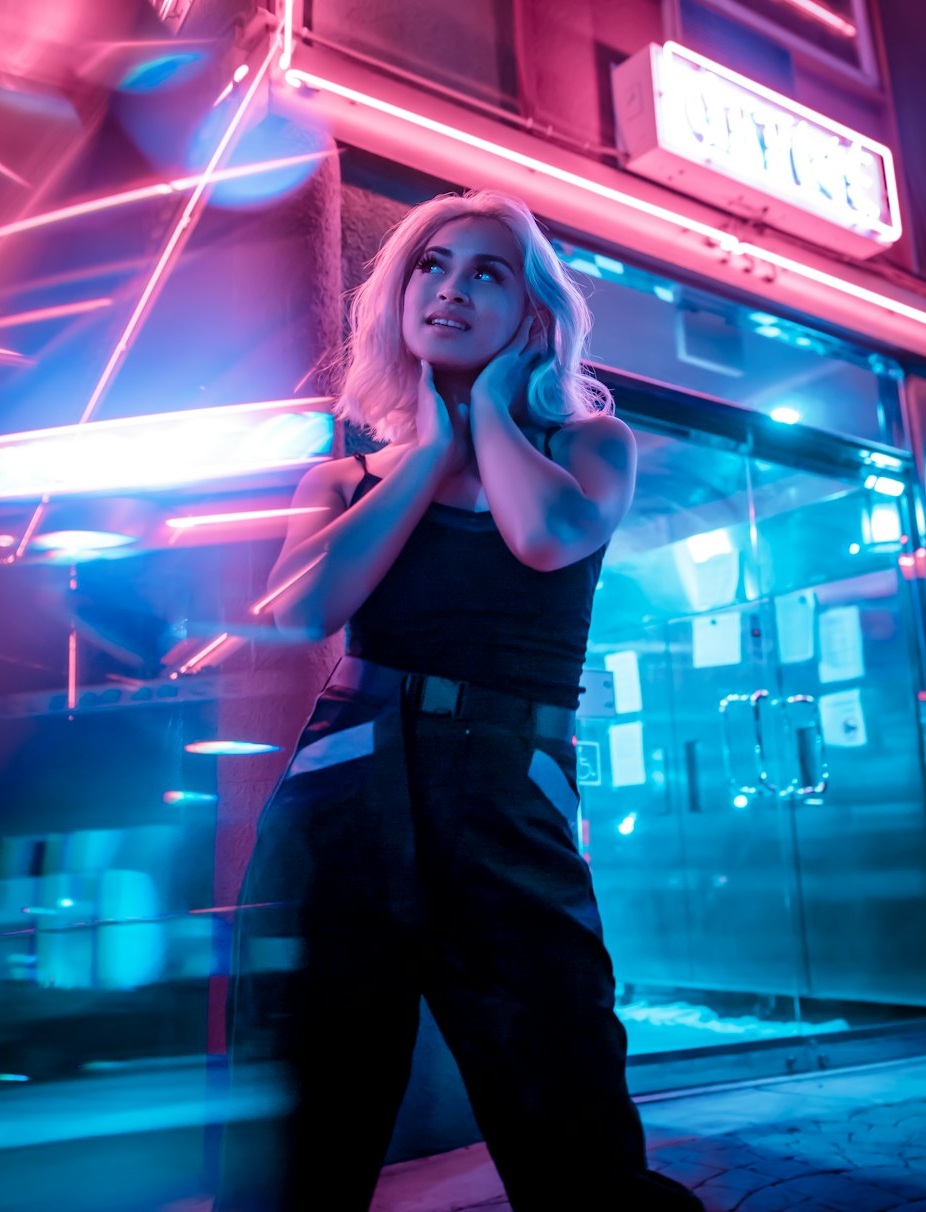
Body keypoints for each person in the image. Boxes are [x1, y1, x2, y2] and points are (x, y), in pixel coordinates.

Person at [218, 190, 705, 1211]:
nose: (450, 289)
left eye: (487, 272)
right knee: (305, 1110)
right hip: (343, 785)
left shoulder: (590, 448)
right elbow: (304, 610)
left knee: (563, 1093)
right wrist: (424, 457)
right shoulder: (341, 476)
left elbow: (542, 542)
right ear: (399, 293)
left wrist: (484, 412)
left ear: (532, 314)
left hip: (507, 782)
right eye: (432, 265)